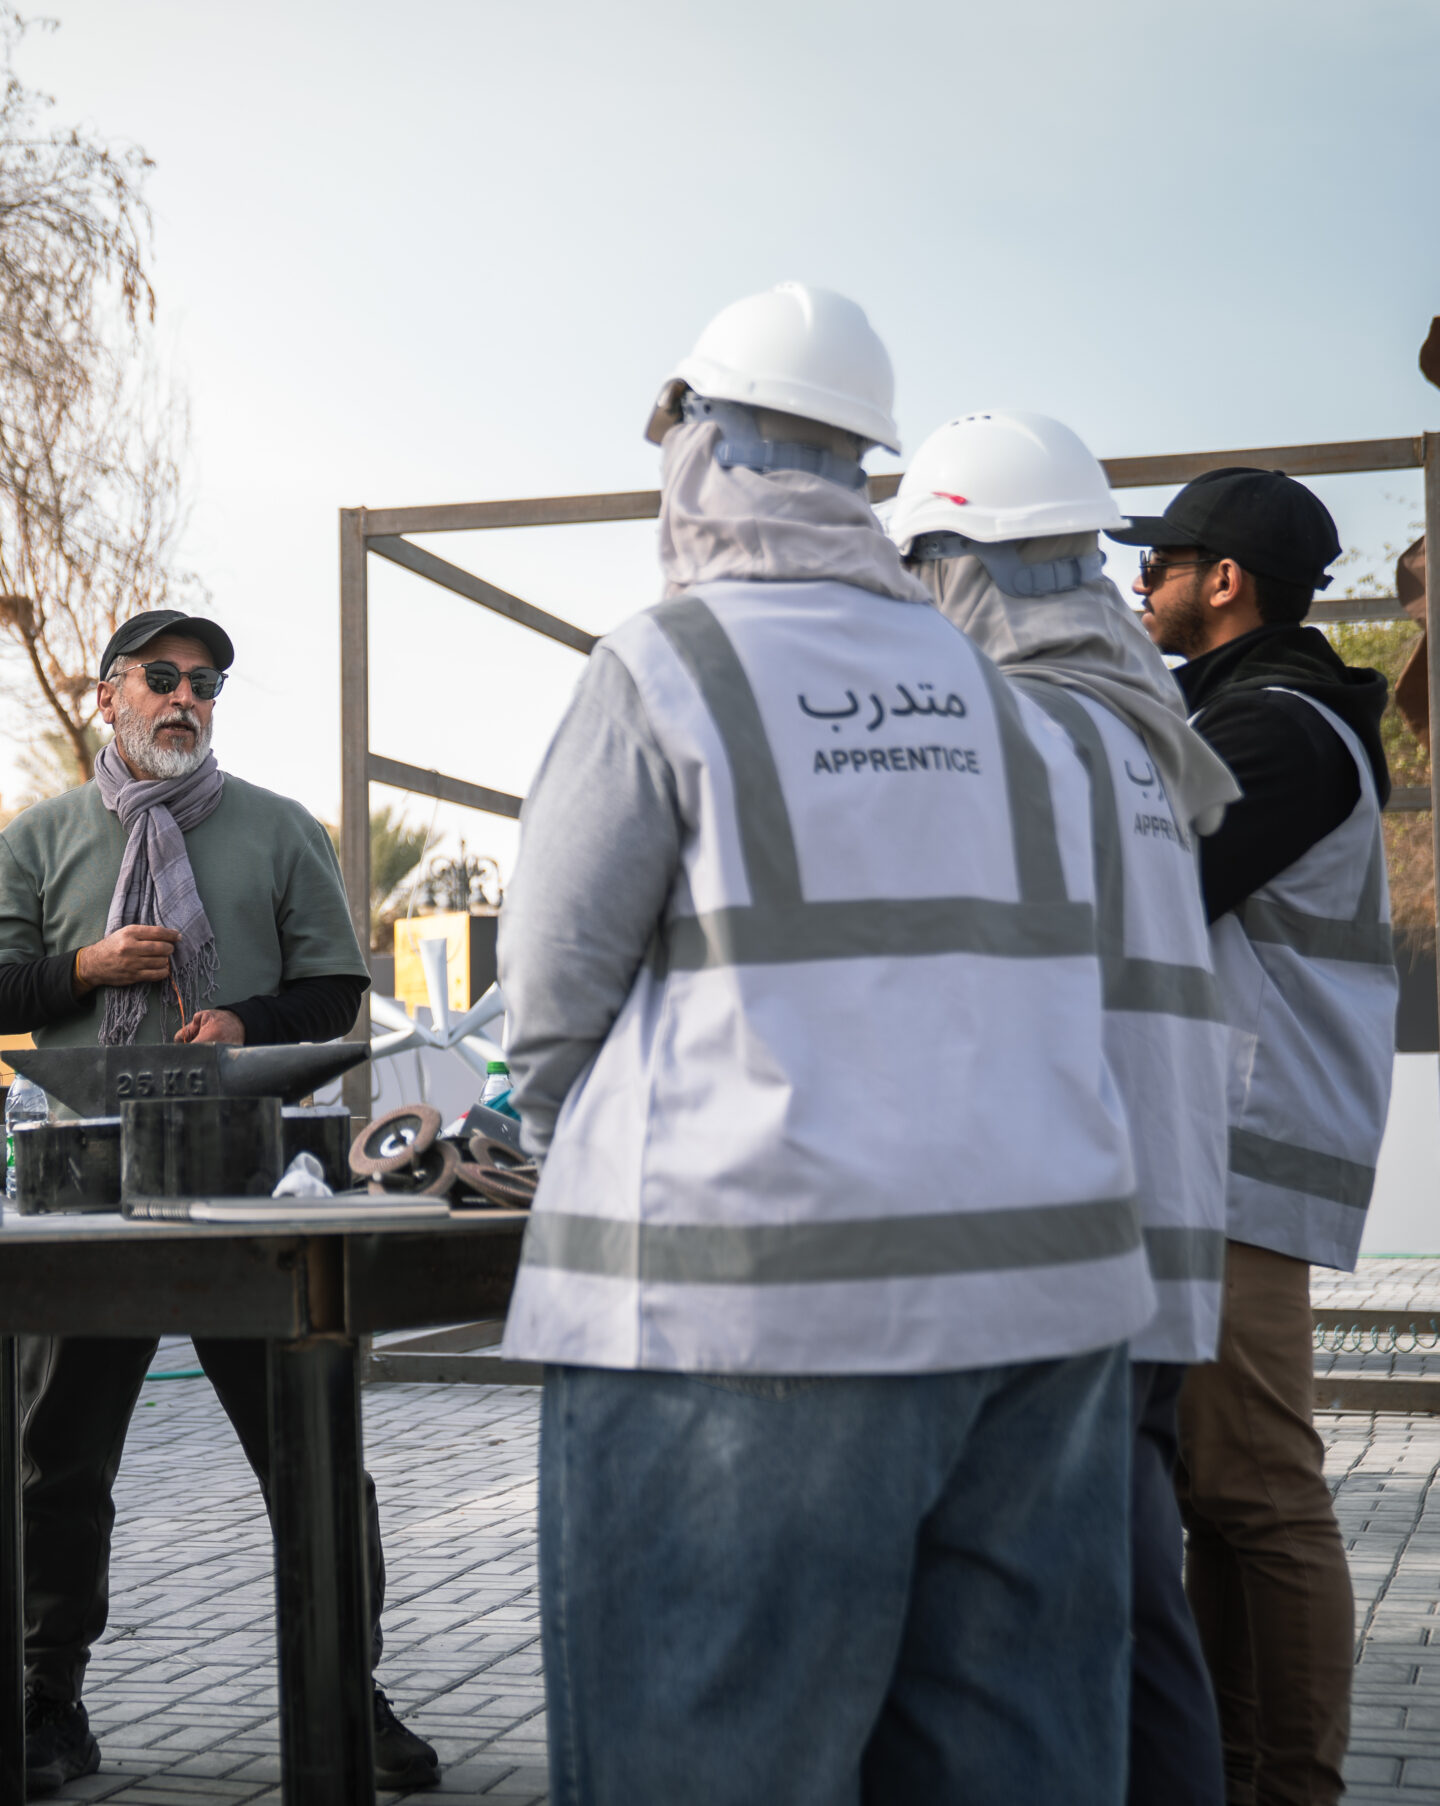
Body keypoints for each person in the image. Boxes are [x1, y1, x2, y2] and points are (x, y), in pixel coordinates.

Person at [500, 283, 1154, 1805]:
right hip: (1046, 1306)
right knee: (1016, 1762)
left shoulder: (667, 664)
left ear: (696, 439)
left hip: (754, 1309)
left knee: (715, 1755)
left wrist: (552, 1140)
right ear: (861, 473)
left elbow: (550, 989)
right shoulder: (1017, 706)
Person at [0, 608, 438, 1797]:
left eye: (206, 683)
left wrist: (240, 1022)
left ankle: (346, 1689)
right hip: (86, 1183)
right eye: (162, 677)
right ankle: (46, 1702)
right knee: (53, 1461)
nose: (185, 698)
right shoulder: (38, 839)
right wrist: (85, 969)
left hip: (247, 1177)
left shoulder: (278, 829)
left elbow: (333, 990)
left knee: (311, 1451)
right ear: (107, 694)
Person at [894, 410, 1243, 1806]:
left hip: (1064, 1248)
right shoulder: (1139, 725)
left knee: (1069, 1626)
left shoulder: (1017, 728)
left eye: (921, 568)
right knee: (1133, 1603)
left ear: (962, 563)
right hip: (1153, 1223)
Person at [1119, 467, 1392, 1806]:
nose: (1137, 585)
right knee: (1220, 1495)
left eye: (1158, 564)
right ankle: (1230, 1776)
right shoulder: (1253, 714)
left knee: (1260, 1491)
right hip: (1221, 1145)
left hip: (1238, 1146)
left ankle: (1290, 1787)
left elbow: (1137, 895)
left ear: (1222, 580)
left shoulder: (1276, 730)